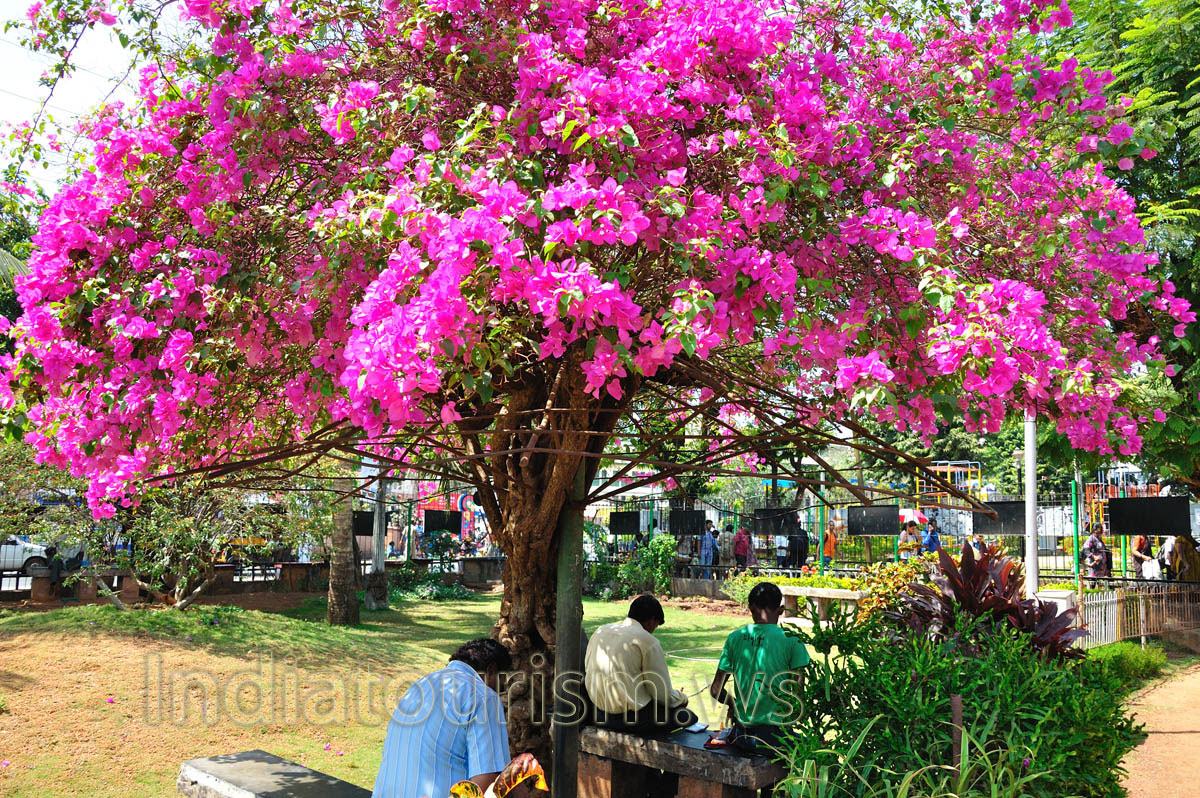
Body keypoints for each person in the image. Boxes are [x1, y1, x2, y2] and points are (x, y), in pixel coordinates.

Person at [372, 638, 512, 798]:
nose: (502, 689)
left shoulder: (420, 684)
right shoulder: (484, 696)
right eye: (502, 680)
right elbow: (486, 779)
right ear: (492, 670)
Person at [709, 582, 809, 755]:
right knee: (815, 749)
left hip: (742, 735)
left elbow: (716, 690)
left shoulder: (735, 638)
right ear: (780, 610)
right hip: (775, 736)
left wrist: (733, 704)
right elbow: (798, 695)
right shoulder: (793, 639)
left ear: (751, 609)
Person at [584, 594, 697, 734]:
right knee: (688, 717)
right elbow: (662, 694)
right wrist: (682, 698)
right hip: (632, 719)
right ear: (651, 621)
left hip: (599, 713)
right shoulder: (646, 641)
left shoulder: (600, 631)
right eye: (655, 625)